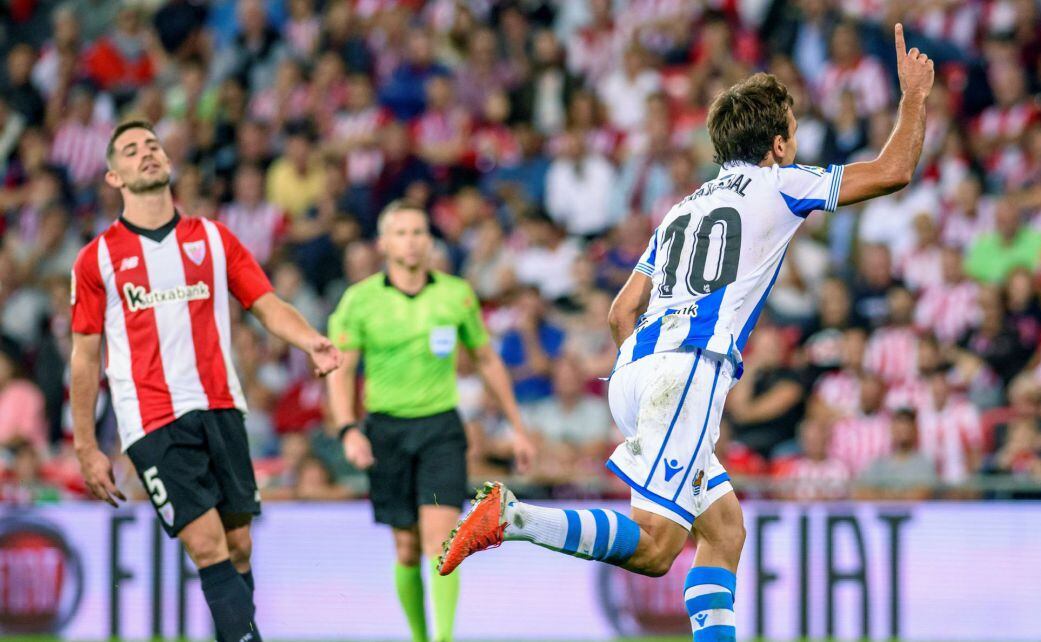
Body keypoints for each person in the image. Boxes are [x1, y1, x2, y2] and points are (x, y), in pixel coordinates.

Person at [438, 24, 934, 642]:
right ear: (777, 144)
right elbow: (893, 171)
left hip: (637, 371)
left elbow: (622, 312)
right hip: (688, 372)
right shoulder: (781, 184)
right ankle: (514, 518)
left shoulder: (682, 208)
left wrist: (649, 371)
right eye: (794, 133)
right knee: (655, 548)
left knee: (724, 530)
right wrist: (913, 97)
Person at [70, 121, 343, 642]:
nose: (146, 154)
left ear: (169, 162)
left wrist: (310, 339)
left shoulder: (215, 239)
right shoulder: (97, 259)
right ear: (112, 176)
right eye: (131, 151)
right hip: (152, 420)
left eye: (152, 145)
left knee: (239, 547)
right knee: (209, 546)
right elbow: (84, 358)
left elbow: (265, 303)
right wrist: (87, 445)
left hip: (221, 405)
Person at [326, 202, 535, 642]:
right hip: (386, 431)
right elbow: (341, 369)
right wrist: (348, 428)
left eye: (419, 231)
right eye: (401, 232)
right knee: (405, 548)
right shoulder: (360, 300)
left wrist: (517, 427)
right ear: (383, 243)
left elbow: (487, 360)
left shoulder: (456, 294)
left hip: (441, 429)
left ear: (430, 240)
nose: (412, 240)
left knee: (441, 544)